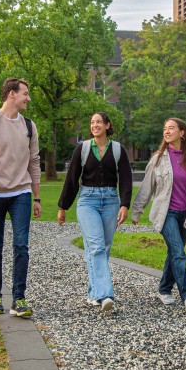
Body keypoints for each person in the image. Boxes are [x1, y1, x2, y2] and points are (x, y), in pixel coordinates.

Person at [0, 77, 41, 318]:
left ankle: (19, 299)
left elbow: (34, 162)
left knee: (21, 245)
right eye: (25, 93)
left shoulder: (29, 126)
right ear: (12, 94)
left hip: (21, 193)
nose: (28, 98)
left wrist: (37, 197)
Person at [132, 118, 186, 313]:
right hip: (166, 213)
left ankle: (164, 288)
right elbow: (146, 188)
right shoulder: (158, 159)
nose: (167, 131)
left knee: (174, 252)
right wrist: (136, 211)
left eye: (171, 128)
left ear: (182, 133)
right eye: (165, 128)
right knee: (178, 252)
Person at [57, 112, 132, 312]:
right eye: (92, 122)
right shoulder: (82, 149)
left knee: (102, 248)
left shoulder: (118, 149)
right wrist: (63, 206)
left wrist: (124, 204)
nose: (95, 125)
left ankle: (93, 293)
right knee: (97, 246)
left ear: (107, 125)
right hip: (87, 201)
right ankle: (106, 294)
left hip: (111, 201)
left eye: (99, 122)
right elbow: (72, 179)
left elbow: (126, 178)